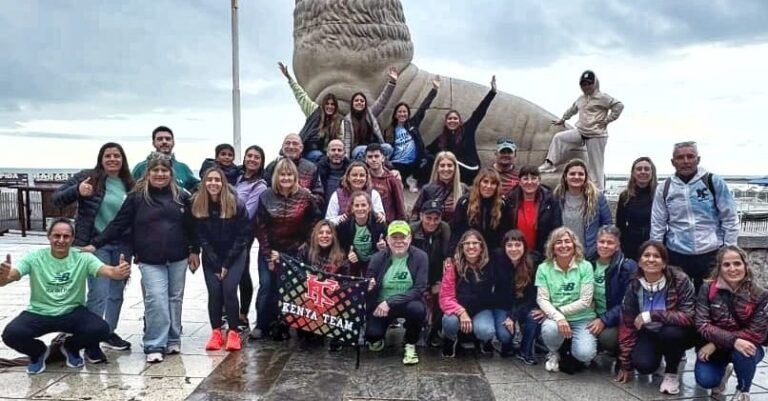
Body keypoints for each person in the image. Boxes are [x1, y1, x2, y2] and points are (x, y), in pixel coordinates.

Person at [87, 153, 201, 363]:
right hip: (149, 259)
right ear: (148, 173)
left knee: (174, 299)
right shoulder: (136, 197)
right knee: (156, 299)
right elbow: (118, 224)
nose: (160, 174)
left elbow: (193, 227)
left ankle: (173, 338)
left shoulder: (182, 197)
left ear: (171, 173)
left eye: (164, 171)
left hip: (178, 257)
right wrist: (96, 243)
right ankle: (154, 344)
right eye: (155, 170)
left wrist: (195, 251)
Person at [0, 218, 130, 375]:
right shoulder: (34, 257)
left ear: (72, 239)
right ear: (48, 237)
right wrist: (4, 275)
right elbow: (11, 276)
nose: (61, 240)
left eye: (66, 236)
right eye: (56, 236)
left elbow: (108, 271)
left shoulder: (82, 257)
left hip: (72, 312)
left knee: (102, 329)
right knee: (11, 334)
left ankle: (71, 347)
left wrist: (118, 272)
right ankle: (38, 352)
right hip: (40, 311)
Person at [51, 142, 135, 357]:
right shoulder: (87, 177)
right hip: (93, 244)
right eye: (108, 155)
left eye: (117, 155)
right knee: (99, 292)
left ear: (123, 159)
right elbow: (57, 198)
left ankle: (107, 331)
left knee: (116, 293)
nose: (113, 159)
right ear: (101, 158)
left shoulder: (129, 183)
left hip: (123, 244)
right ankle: (90, 341)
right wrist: (77, 190)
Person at [650, 141, 739, 292]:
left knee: (711, 300)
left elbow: (730, 218)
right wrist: (657, 253)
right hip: (676, 254)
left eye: (690, 156)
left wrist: (729, 251)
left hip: (710, 254)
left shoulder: (713, 182)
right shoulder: (664, 188)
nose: (685, 161)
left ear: (698, 159)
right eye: (680, 157)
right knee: (679, 300)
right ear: (673, 162)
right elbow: (658, 223)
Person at [615, 241, 696, 396]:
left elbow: (689, 316)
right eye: (646, 255)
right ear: (639, 261)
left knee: (671, 333)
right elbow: (627, 324)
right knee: (643, 365)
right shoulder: (634, 284)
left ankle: (672, 373)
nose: (651, 260)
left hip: (677, 332)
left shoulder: (680, 280)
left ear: (664, 263)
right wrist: (626, 363)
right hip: (650, 332)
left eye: (656, 256)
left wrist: (651, 315)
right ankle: (658, 359)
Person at [255, 158, 322, 340]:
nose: (286, 177)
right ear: (277, 176)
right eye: (282, 174)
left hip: (295, 251)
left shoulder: (306, 196)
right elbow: (260, 227)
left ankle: (287, 324)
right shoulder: (266, 196)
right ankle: (262, 324)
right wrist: (270, 255)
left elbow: (315, 221)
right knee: (267, 286)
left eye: (289, 174)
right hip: (270, 250)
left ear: (295, 176)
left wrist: (304, 245)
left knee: (292, 288)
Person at [695, 246, 767, 401]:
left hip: (745, 346)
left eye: (737, 264)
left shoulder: (759, 294)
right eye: (726, 265)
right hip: (715, 348)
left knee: (745, 350)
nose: (732, 269)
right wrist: (730, 341)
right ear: (719, 268)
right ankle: (723, 373)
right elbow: (702, 324)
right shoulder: (707, 289)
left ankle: (743, 391)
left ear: (745, 266)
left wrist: (717, 343)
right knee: (705, 380)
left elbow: (756, 332)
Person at [192, 167, 251, 352]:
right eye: (209, 180)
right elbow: (201, 237)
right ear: (204, 183)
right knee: (214, 292)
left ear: (223, 183)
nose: (213, 183)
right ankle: (216, 332)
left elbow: (243, 236)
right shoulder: (198, 205)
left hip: (235, 253)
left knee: (229, 289)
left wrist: (226, 264)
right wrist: (216, 263)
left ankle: (233, 332)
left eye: (217, 180)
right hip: (212, 254)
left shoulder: (236, 204)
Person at [539, 70, 624, 192]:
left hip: (596, 135)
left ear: (594, 84)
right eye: (583, 84)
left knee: (596, 166)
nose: (586, 87)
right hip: (581, 132)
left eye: (589, 83)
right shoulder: (581, 99)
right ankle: (549, 165)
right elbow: (572, 109)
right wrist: (563, 119)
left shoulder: (603, 97)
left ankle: (599, 192)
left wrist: (607, 120)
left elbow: (619, 106)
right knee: (559, 137)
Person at [365, 221, 428, 366]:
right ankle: (379, 334)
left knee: (418, 310)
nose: (399, 242)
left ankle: (410, 343)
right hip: (381, 305)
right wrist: (368, 287)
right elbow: (368, 285)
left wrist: (390, 302)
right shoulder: (376, 258)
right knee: (372, 336)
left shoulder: (421, 257)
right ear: (387, 240)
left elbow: (419, 288)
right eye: (394, 238)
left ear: (410, 239)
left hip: (407, 303)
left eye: (402, 237)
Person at [535, 227, 598, 373]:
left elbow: (585, 301)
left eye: (567, 241)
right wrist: (558, 317)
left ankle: (573, 348)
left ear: (574, 245)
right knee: (550, 328)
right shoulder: (544, 268)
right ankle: (554, 352)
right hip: (556, 320)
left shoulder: (586, 266)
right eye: (558, 242)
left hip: (582, 318)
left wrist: (559, 311)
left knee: (584, 354)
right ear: (552, 247)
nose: (563, 245)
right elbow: (542, 299)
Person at [427, 76, 497, 184]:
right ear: (446, 122)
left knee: (443, 158)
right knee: (435, 157)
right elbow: (428, 150)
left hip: (471, 167)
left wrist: (492, 92)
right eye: (450, 119)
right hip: (457, 169)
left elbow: (479, 112)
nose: (452, 121)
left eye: (455, 118)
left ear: (459, 121)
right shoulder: (442, 138)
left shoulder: (467, 129)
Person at [440, 230, 496, 357]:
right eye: (467, 243)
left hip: (481, 309)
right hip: (458, 309)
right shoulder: (453, 266)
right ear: (462, 247)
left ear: (482, 247)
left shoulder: (489, 265)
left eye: (475, 243)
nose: (471, 247)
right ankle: (450, 339)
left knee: (486, 331)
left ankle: (482, 340)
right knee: (449, 321)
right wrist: (461, 312)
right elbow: (445, 297)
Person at [585, 225, 637, 356]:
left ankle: (621, 352)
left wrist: (604, 320)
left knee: (607, 338)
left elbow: (628, 304)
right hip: (590, 314)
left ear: (618, 245)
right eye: (601, 242)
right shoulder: (588, 262)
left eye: (610, 242)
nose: (605, 246)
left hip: (616, 319)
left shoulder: (626, 267)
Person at [491, 230, 541, 363]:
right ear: (504, 247)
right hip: (503, 304)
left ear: (524, 247)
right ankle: (507, 345)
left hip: (524, 305)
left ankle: (525, 351)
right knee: (504, 335)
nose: (514, 249)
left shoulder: (533, 263)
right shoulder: (497, 259)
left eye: (517, 245)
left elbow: (532, 299)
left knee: (534, 316)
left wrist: (513, 316)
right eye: (509, 245)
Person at [383, 75, 440, 191]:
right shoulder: (389, 130)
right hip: (396, 164)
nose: (402, 114)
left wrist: (434, 90)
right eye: (400, 112)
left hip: (414, 163)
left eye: (405, 112)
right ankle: (401, 181)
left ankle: (413, 179)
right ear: (395, 114)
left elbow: (423, 107)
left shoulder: (413, 124)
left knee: (432, 159)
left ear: (408, 114)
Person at [278, 62, 343, 162]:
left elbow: (340, 139)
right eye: (327, 104)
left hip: (325, 153)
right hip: (306, 149)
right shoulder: (314, 111)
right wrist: (289, 78)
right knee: (318, 156)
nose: (330, 106)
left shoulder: (338, 123)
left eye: (332, 104)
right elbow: (301, 96)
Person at [235, 145, 268, 336]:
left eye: (257, 157)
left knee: (242, 272)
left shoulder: (260, 185)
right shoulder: (237, 177)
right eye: (250, 156)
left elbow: (248, 211)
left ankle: (243, 313)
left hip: (243, 233)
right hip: (225, 232)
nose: (252, 159)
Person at [409, 200, 451, 347]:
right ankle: (414, 329)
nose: (432, 222)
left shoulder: (445, 229)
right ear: (421, 216)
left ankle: (435, 331)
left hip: (436, 274)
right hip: (415, 277)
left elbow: (448, 257)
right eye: (428, 218)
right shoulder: (412, 230)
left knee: (443, 295)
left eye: (436, 218)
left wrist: (442, 283)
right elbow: (408, 261)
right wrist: (421, 286)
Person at [553, 159, 612, 258]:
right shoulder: (557, 197)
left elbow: (607, 225)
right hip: (563, 253)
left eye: (581, 174)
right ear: (565, 177)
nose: (576, 177)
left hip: (589, 254)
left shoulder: (597, 197)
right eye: (572, 174)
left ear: (585, 177)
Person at [502, 165, 561, 263]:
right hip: (514, 255)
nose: (529, 182)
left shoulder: (550, 201)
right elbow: (504, 229)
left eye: (533, 178)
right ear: (519, 182)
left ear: (539, 181)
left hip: (542, 255)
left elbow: (556, 228)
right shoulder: (509, 201)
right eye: (525, 179)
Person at [343, 67, 399, 160]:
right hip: (358, 150)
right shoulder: (348, 120)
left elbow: (382, 101)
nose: (359, 102)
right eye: (356, 100)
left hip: (374, 147)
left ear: (365, 103)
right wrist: (346, 160)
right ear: (352, 103)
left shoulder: (370, 113)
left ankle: (381, 168)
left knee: (388, 148)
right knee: (362, 149)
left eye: (362, 101)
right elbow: (347, 141)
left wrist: (392, 82)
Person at [451, 168, 507, 251]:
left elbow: (505, 233)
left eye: (493, 183)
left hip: (493, 251)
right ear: (479, 183)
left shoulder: (503, 205)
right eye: (485, 181)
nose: (488, 186)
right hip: (469, 250)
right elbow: (456, 232)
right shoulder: (464, 202)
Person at [132, 126, 199, 192]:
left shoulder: (183, 168)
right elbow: (129, 189)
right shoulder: (141, 167)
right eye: (160, 139)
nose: (164, 141)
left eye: (168, 139)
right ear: (153, 143)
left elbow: (199, 189)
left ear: (173, 142)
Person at [263, 133, 324, 205]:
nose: (291, 146)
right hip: (275, 210)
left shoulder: (311, 168)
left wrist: (309, 197)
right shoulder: (272, 166)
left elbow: (320, 197)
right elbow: (264, 191)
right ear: (282, 147)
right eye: (287, 143)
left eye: (295, 144)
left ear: (301, 148)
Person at [336, 191, 388, 277]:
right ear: (352, 208)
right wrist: (347, 254)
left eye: (363, 205)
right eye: (356, 205)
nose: (360, 208)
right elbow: (339, 246)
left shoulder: (379, 222)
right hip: (353, 261)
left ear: (369, 207)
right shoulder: (344, 224)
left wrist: (384, 246)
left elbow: (389, 244)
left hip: (374, 261)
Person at [410, 151, 468, 224]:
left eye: (449, 165)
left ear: (455, 168)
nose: (446, 169)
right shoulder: (428, 189)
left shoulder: (464, 189)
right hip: (433, 231)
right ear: (437, 168)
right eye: (442, 165)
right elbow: (415, 214)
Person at [616, 157, 657, 260]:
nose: (643, 172)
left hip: (655, 243)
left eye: (646, 169)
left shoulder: (660, 194)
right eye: (639, 169)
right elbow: (620, 225)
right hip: (631, 246)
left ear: (652, 172)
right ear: (633, 173)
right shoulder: (625, 196)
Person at [325, 161, 385, 225]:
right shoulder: (337, 195)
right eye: (354, 175)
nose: (358, 178)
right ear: (348, 177)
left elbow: (381, 216)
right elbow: (328, 221)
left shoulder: (374, 194)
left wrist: (380, 216)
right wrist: (339, 219)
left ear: (366, 178)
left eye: (361, 175)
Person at [365, 143, 407, 223]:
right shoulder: (363, 178)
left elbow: (400, 204)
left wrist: (402, 223)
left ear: (383, 158)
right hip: (367, 223)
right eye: (370, 157)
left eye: (376, 156)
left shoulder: (392, 179)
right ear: (366, 159)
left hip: (388, 223)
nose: (373, 159)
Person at [316, 139, 351, 206]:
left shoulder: (351, 170)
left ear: (344, 154)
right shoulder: (317, 170)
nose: (336, 153)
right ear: (327, 153)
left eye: (339, 150)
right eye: (333, 150)